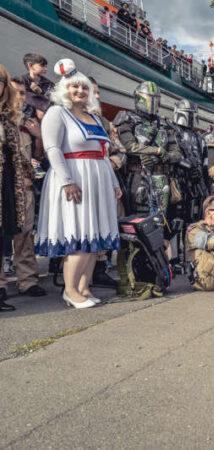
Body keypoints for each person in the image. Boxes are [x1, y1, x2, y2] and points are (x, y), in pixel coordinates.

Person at [37, 60, 122, 308]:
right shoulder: (57, 113)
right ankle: (70, 290)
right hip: (75, 179)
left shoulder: (93, 118)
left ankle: (84, 288)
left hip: (98, 181)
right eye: (74, 87)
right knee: (79, 237)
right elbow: (52, 148)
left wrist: (114, 182)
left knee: (93, 240)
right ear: (65, 89)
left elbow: (102, 153)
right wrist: (67, 181)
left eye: (84, 88)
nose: (80, 92)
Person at [2, 77, 47, 301]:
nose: (20, 97)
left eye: (22, 93)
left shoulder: (27, 123)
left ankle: (27, 281)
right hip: (4, 185)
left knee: (25, 235)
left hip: (24, 186)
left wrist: (38, 137)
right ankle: (1, 285)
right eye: (16, 92)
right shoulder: (4, 120)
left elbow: (37, 156)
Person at [114, 81, 182, 216]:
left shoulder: (165, 124)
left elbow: (177, 153)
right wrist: (155, 151)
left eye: (155, 100)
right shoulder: (127, 119)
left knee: (160, 219)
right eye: (149, 99)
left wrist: (166, 156)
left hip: (161, 177)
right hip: (137, 177)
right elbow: (128, 146)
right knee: (136, 217)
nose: (152, 103)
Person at [0, 66, 31, 311]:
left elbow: (16, 154)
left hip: (8, 184)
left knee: (9, 234)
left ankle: (8, 286)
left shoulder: (7, 117)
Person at [19, 53, 54, 118]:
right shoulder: (21, 82)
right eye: (42, 66)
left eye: (46, 66)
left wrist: (40, 92)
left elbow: (52, 103)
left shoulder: (49, 84)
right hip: (24, 119)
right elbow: (24, 99)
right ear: (30, 65)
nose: (46, 69)